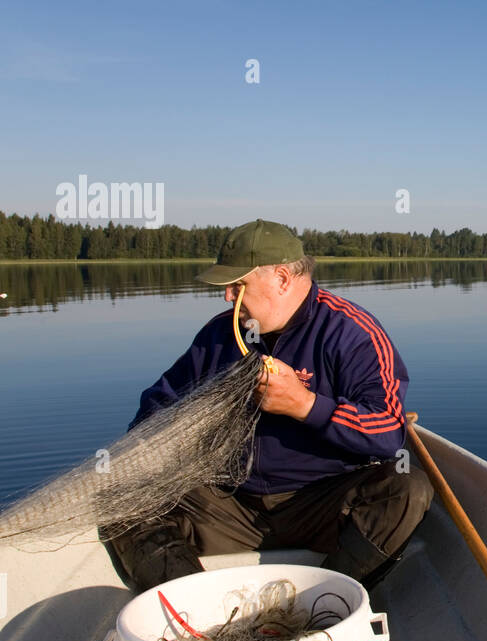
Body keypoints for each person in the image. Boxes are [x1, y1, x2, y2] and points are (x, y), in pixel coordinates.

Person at [104, 219, 434, 594]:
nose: (228, 296)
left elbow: (390, 433)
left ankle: (325, 603)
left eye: (238, 284)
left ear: (281, 279)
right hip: (231, 504)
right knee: (120, 503)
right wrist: (156, 443)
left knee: (408, 490)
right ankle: (199, 610)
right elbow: (156, 405)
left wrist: (305, 404)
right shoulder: (220, 335)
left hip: (323, 504)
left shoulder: (352, 333)